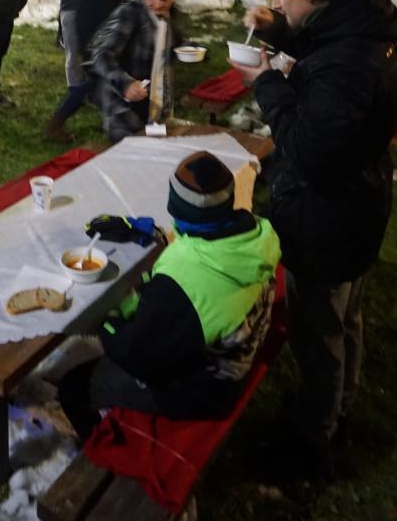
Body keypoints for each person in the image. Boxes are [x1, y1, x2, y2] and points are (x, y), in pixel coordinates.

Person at [230, 0, 397, 476]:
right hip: (359, 203)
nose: (276, 3)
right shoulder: (360, 28)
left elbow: (308, 151)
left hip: (329, 215)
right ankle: (341, 404)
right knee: (346, 318)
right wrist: (279, 32)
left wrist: (267, 84)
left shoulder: (346, 65)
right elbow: (318, 41)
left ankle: (312, 439)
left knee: (319, 333)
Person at [59, 151, 281, 440]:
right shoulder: (254, 233)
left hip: (206, 389)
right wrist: (151, 237)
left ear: (175, 206)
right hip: (235, 353)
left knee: (75, 386)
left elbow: (135, 354)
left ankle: (104, 446)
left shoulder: (188, 284)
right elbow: (183, 284)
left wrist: (107, 318)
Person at [43, 0, 120, 142]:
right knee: (94, 71)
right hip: (86, 15)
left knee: (90, 70)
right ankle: (56, 123)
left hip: (72, 10)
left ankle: (105, 114)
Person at [89, 0, 186, 143]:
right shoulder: (129, 14)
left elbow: (177, 44)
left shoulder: (169, 17)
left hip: (152, 101)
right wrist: (125, 83)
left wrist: (192, 49)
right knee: (134, 148)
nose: (158, 3)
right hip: (120, 102)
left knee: (163, 146)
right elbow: (101, 55)